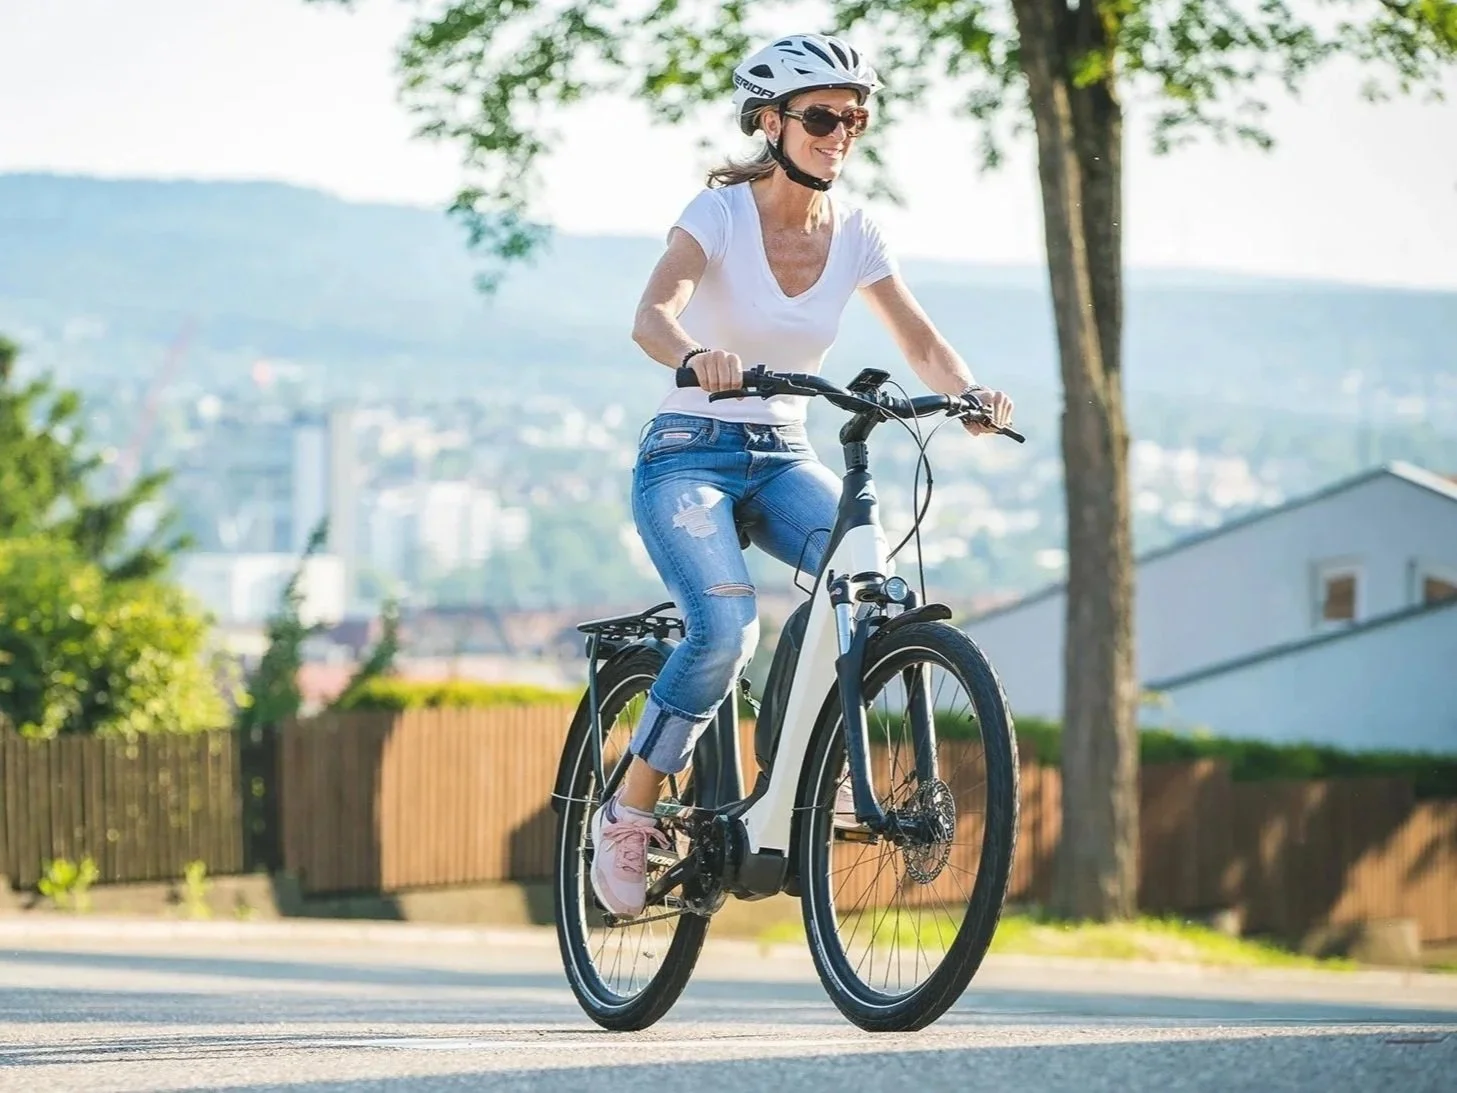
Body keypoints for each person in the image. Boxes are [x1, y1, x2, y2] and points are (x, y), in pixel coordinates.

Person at [591, 32, 1016, 916]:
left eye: (855, 118)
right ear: (769, 121)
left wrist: (967, 392)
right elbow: (651, 314)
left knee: (871, 589)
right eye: (822, 116)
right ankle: (628, 809)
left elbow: (920, 341)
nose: (841, 133)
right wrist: (698, 354)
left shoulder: (856, 231)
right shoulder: (718, 214)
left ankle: (798, 764)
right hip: (689, 452)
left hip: (786, 456)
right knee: (725, 628)